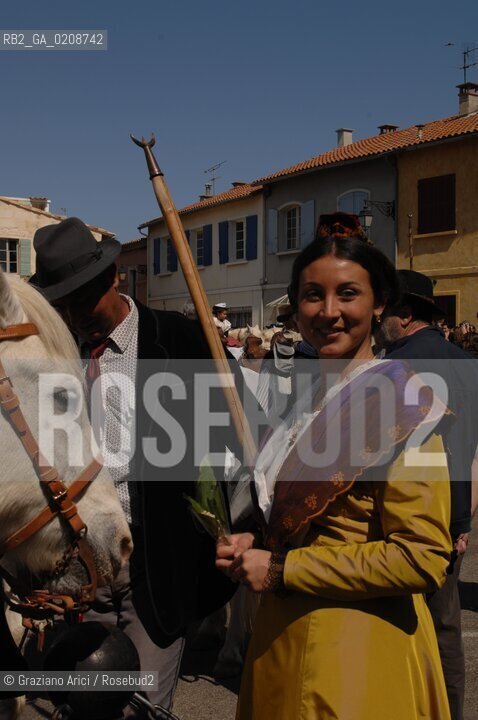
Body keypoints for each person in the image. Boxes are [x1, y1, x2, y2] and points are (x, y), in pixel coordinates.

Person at [217, 228, 453, 719]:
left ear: (380, 302)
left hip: (356, 657)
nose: (329, 312)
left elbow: (422, 558)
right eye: (312, 295)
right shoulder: (303, 402)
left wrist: (282, 569)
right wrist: (254, 541)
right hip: (279, 642)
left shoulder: (408, 406)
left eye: (348, 293)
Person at [30, 218, 234, 717]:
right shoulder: (51, 360)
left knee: (139, 708)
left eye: (84, 300)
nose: (77, 316)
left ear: (113, 278)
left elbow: (222, 457)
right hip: (75, 573)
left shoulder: (182, 342)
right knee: (77, 706)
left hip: (154, 569)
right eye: (64, 304)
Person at [375, 269, 478, 720]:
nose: (378, 319)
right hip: (452, 516)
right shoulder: (468, 364)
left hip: (403, 518)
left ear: (405, 314)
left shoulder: (393, 368)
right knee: (445, 627)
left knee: (396, 627)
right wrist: (464, 520)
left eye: (385, 311)